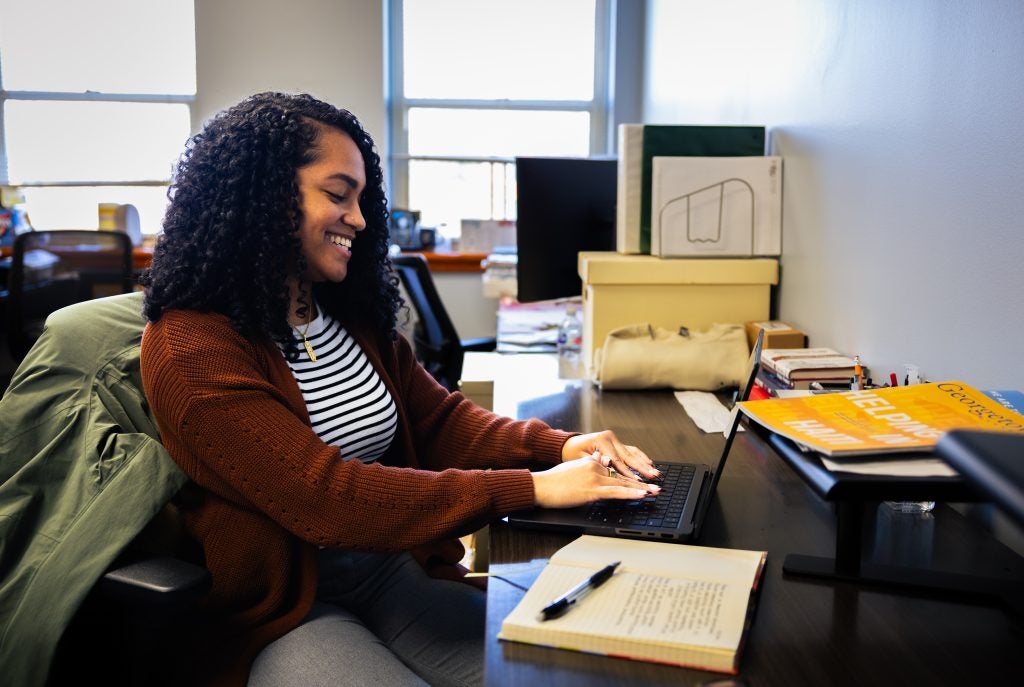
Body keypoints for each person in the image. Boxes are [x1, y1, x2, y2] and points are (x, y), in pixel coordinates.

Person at [139, 91, 661, 687]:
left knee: (562, 675)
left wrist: (562, 449)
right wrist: (533, 487)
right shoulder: (190, 346)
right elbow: (325, 499)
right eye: (338, 195)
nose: (358, 219)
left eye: (361, 199)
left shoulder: (344, 313)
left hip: (391, 571)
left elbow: (441, 422)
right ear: (259, 199)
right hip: (289, 611)